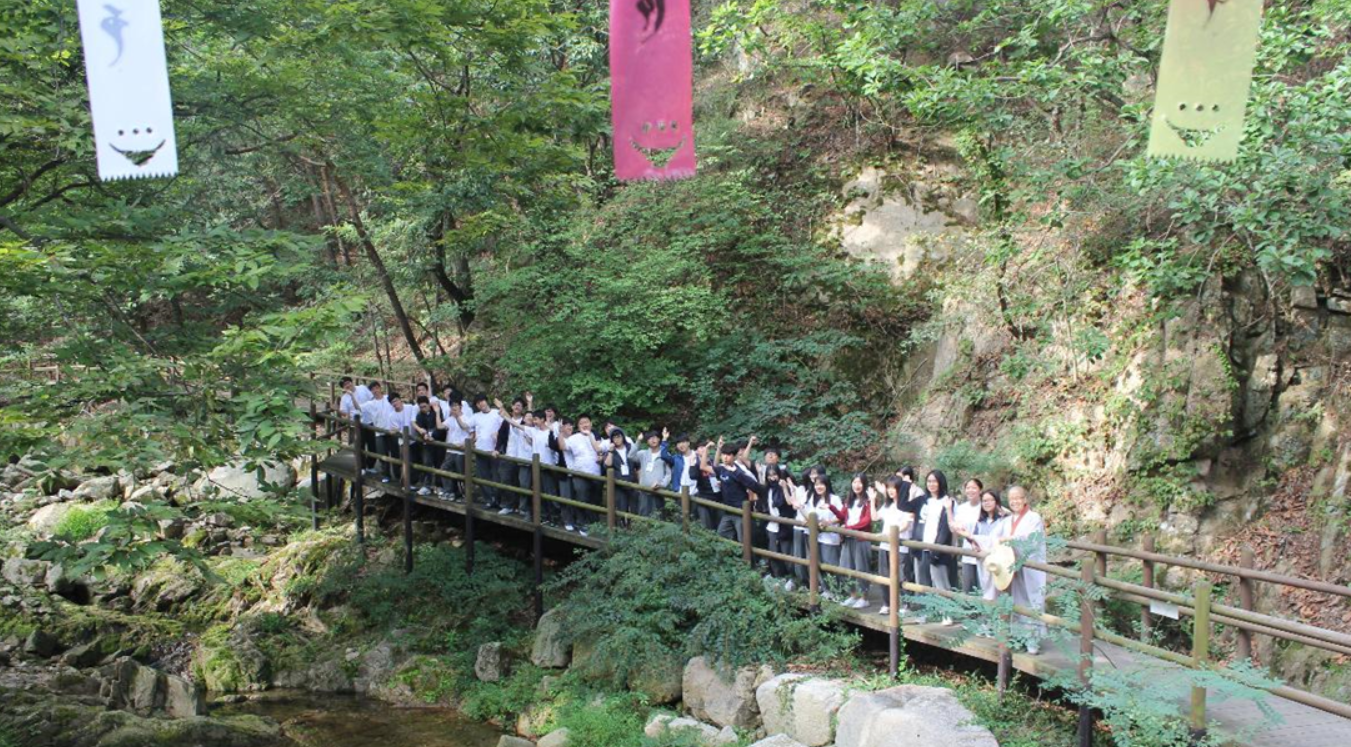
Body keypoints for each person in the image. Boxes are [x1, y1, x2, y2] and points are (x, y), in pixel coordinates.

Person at [998, 485, 1047, 654]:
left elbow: (1030, 539)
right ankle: (1019, 637)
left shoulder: (1034, 518)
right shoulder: (1007, 521)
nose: (1015, 502)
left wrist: (1010, 539)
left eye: (1018, 498)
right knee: (1017, 601)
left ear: (1025, 499)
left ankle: (1033, 639)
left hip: (1031, 565)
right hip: (1013, 566)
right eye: (1012, 499)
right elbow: (996, 538)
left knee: (1032, 599)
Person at [914, 469, 957, 624]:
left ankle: (947, 613)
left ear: (941, 482)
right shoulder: (924, 500)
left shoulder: (948, 501)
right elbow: (906, 509)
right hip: (922, 546)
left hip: (938, 547)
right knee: (922, 582)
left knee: (941, 583)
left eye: (934, 481)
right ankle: (924, 612)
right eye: (929, 481)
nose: (931, 484)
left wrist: (938, 548)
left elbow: (947, 527)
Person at [953, 489, 1009, 601]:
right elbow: (972, 536)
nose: (987, 503)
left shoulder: (1005, 521)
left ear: (996, 501)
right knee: (983, 592)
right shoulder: (980, 522)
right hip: (982, 562)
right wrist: (973, 542)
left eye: (990, 500)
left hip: (999, 564)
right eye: (984, 501)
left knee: (999, 593)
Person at [872, 477, 914, 616]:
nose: (891, 491)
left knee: (903, 576)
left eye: (894, 488)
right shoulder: (887, 505)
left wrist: (890, 533)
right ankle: (887, 603)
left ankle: (906, 604)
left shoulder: (908, 505)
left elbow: (906, 525)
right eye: (889, 488)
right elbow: (875, 517)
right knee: (884, 575)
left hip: (901, 546)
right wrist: (872, 499)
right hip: (885, 545)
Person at [562, 415, 609, 535]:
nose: (584, 424)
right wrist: (559, 432)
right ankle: (582, 523)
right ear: (578, 426)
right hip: (580, 472)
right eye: (581, 423)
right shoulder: (573, 438)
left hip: (596, 473)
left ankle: (594, 524)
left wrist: (601, 456)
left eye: (587, 422)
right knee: (582, 497)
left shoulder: (596, 436)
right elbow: (563, 447)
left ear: (591, 424)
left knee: (595, 499)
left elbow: (601, 451)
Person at [833, 473, 874, 609]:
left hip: (861, 538)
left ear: (864, 484)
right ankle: (853, 595)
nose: (857, 485)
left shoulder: (868, 501)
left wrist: (849, 528)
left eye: (860, 482)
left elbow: (866, 521)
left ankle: (864, 598)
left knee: (861, 568)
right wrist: (830, 507)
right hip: (848, 537)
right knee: (846, 566)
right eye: (855, 482)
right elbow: (842, 515)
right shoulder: (849, 500)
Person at [713, 441, 766, 543]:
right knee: (721, 536)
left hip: (741, 511)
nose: (725, 457)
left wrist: (737, 474)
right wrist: (718, 448)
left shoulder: (739, 471)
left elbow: (756, 487)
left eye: (728, 455)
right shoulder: (722, 469)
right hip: (728, 510)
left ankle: (748, 559)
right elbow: (711, 467)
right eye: (723, 455)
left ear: (734, 456)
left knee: (744, 540)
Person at [808, 475, 844, 601]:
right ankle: (826, 589)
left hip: (831, 537)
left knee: (831, 564)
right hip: (818, 536)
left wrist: (829, 522)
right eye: (816, 484)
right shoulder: (814, 499)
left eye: (821, 484)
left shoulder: (834, 499)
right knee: (820, 564)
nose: (818, 487)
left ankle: (837, 591)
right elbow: (810, 516)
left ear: (827, 485)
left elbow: (841, 516)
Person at [789, 465, 825, 588]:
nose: (813, 476)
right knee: (801, 556)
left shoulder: (821, 491)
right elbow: (797, 506)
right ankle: (807, 582)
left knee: (815, 557)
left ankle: (820, 585)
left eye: (815, 474)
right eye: (811, 474)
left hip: (815, 529)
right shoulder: (807, 491)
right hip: (803, 526)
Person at [467, 395, 504, 509]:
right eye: (478, 403)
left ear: (486, 401)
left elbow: (506, 427)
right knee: (482, 476)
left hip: (494, 450)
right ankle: (489, 499)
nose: (481, 404)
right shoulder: (475, 416)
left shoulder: (496, 413)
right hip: (480, 449)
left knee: (496, 476)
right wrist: (458, 416)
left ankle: (497, 500)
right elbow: (466, 426)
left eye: (482, 401)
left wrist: (498, 436)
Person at [763, 466, 795, 584]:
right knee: (773, 552)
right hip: (771, 525)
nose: (772, 478)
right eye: (769, 475)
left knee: (787, 553)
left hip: (784, 525)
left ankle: (791, 577)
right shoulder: (767, 489)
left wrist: (785, 488)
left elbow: (789, 503)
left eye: (774, 474)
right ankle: (777, 576)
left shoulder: (783, 487)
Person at [435, 399, 471, 500]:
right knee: (444, 469)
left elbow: (472, 434)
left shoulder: (467, 418)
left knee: (461, 474)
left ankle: (464, 495)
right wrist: (437, 412)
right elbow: (439, 426)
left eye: (456, 405)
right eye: (452, 406)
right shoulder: (450, 419)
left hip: (461, 451)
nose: (454, 408)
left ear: (460, 406)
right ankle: (449, 491)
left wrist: (464, 444)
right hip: (450, 450)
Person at [633, 429, 673, 517]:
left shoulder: (665, 455)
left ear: (659, 439)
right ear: (647, 441)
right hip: (644, 491)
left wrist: (661, 484)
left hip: (658, 491)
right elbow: (630, 456)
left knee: (658, 517)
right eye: (650, 438)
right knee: (643, 516)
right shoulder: (642, 454)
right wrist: (638, 441)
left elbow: (668, 474)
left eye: (655, 437)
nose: (653, 440)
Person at [955, 478, 985, 593]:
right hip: (967, 551)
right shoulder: (962, 508)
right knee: (968, 588)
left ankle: (983, 611)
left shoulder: (985, 505)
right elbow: (957, 527)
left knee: (983, 587)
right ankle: (968, 611)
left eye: (974, 488)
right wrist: (970, 539)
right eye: (968, 488)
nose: (970, 490)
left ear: (980, 490)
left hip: (983, 552)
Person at [603, 427, 637, 518]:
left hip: (632, 482)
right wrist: (610, 450)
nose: (617, 439)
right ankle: (623, 526)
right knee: (621, 507)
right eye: (614, 437)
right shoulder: (611, 451)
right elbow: (607, 465)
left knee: (634, 507)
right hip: (619, 484)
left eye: (618, 436)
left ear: (623, 437)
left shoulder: (630, 448)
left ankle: (632, 527)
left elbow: (638, 465)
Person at [410, 396, 440, 493]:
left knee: (438, 463)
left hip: (438, 441)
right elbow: (420, 429)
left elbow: (440, 426)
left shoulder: (436, 412)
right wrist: (425, 435)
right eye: (421, 407)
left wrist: (433, 435)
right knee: (427, 462)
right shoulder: (419, 416)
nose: (423, 409)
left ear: (428, 404)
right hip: (426, 442)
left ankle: (438, 485)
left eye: (424, 406)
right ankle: (427, 485)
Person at [691, 440, 722, 531]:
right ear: (696, 451)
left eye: (705, 447)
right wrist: (691, 465)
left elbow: (716, 466)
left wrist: (719, 448)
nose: (704, 449)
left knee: (718, 523)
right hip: (704, 498)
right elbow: (693, 475)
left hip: (717, 497)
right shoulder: (695, 463)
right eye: (701, 447)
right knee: (706, 525)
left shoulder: (711, 461)